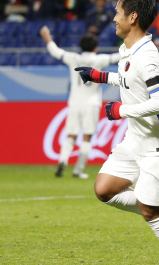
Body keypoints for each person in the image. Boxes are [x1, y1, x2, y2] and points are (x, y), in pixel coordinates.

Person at [74, 0, 159, 265]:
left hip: (158, 146)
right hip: (134, 140)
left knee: (151, 213)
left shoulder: (147, 55)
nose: (114, 18)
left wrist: (121, 110)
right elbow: (127, 78)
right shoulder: (128, 49)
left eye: (117, 13)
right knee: (104, 190)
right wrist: (99, 76)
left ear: (133, 17)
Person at [40, 25, 120, 179]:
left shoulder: (73, 58)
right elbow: (118, 56)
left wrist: (47, 36)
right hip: (92, 103)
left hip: (75, 102)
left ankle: (62, 161)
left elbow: (55, 51)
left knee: (71, 135)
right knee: (87, 136)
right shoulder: (99, 59)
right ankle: (78, 170)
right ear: (95, 48)